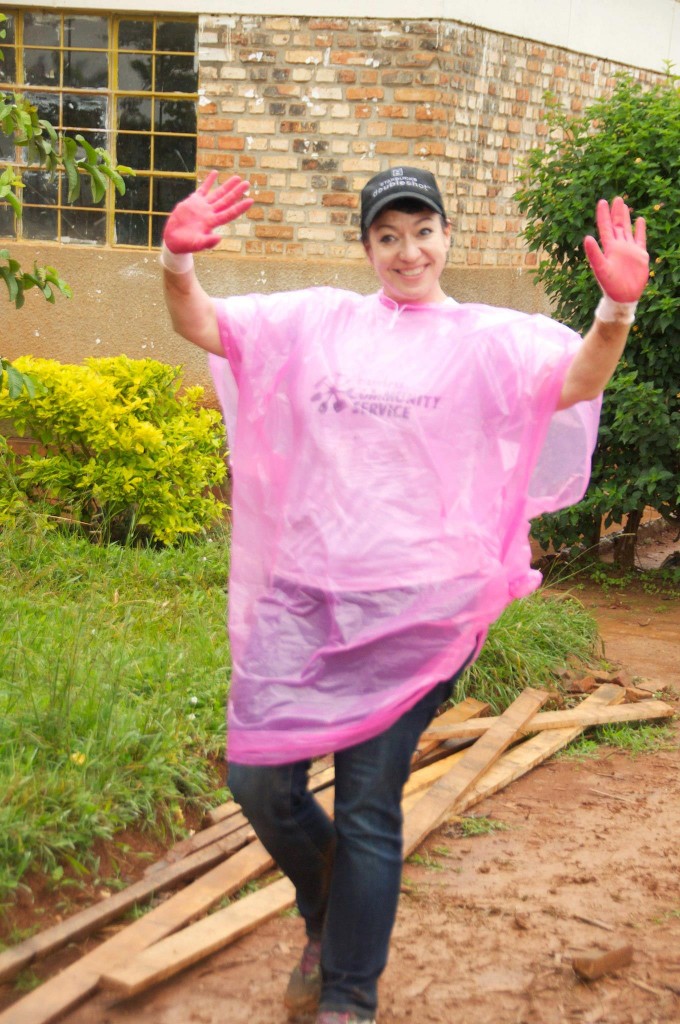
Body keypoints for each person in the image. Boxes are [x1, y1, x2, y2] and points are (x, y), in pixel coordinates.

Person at [160, 166, 649, 1024]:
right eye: (388, 235)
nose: (407, 250)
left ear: (447, 237)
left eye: (422, 231)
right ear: (368, 246)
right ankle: (328, 895)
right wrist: (176, 261)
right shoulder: (319, 321)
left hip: (418, 611)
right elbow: (202, 323)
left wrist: (616, 312)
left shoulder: (489, 341)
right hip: (302, 599)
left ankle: (348, 995)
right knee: (257, 780)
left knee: (369, 806)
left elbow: (576, 381)